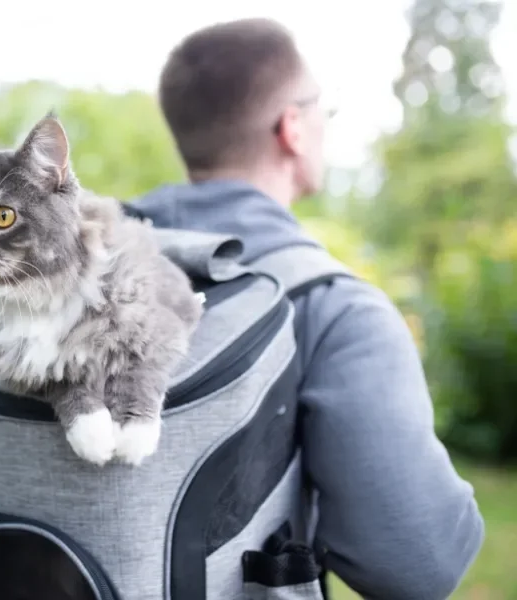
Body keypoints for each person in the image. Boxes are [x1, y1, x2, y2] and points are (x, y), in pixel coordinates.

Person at [129, 18, 485, 600]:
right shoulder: (336, 308)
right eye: (323, 108)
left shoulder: (65, 265)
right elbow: (419, 562)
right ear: (292, 126)